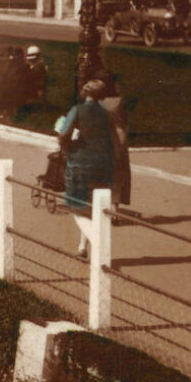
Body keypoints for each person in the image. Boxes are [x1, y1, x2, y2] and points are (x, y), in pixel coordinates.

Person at [59, 79, 117, 259]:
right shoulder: (107, 114)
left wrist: (66, 145)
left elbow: (63, 133)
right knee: (91, 208)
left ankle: (99, 243)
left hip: (80, 163)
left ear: (85, 92)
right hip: (102, 164)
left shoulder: (77, 110)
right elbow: (112, 139)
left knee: (75, 207)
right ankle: (82, 247)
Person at [100, 71, 133, 214]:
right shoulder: (119, 102)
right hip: (117, 143)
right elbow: (122, 126)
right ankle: (114, 208)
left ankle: (101, 206)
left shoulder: (98, 102)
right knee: (118, 176)